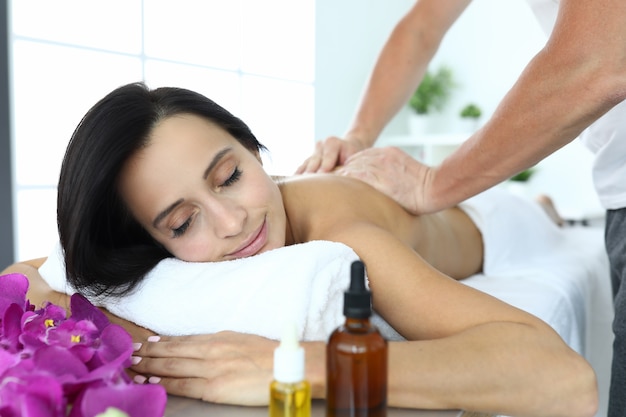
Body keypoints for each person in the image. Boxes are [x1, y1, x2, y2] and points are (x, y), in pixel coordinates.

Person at [1, 83, 597, 417]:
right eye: (184, 223)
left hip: (493, 223)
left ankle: (543, 204)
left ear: (255, 150)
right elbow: (29, 276)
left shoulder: (342, 236)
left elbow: (558, 376)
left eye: (230, 175)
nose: (235, 222)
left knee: (537, 208)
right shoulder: (219, 222)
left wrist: (293, 366)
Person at [296, 2, 626, 415]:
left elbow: (595, 60)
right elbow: (422, 25)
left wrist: (433, 183)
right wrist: (359, 135)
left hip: (493, 216)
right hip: (613, 187)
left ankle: (543, 207)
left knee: (524, 210)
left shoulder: (341, 227)